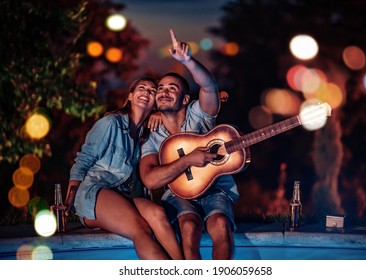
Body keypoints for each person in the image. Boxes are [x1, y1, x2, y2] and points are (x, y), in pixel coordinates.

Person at [139, 29, 239, 260]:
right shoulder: (152, 135)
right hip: (178, 193)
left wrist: (187, 61)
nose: (164, 92)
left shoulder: (199, 115)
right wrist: (187, 160)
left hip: (216, 188)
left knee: (221, 224)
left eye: (171, 88)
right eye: (160, 89)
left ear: (185, 99)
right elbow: (150, 179)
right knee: (188, 228)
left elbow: (209, 87)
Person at [64, 77, 184, 260]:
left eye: (152, 91)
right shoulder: (111, 123)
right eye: (141, 88)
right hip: (96, 192)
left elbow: (175, 122)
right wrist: (69, 200)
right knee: (141, 229)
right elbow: (83, 160)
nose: (146, 92)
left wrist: (161, 115)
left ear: (154, 103)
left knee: (157, 213)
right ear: (130, 96)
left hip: (125, 196)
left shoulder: (147, 133)